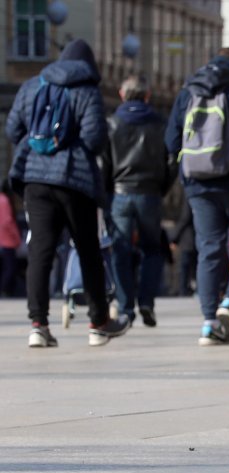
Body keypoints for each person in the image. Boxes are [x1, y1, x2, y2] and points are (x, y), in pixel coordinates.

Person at [5, 39, 131, 347]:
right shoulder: (86, 90)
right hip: (74, 181)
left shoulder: (33, 85)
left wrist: (37, 149)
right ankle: (99, 324)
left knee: (41, 251)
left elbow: (12, 130)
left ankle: (38, 325)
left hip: (34, 179)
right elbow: (95, 138)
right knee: (88, 250)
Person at [165, 47, 229, 346]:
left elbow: (171, 140)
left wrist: (186, 170)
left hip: (197, 182)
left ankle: (208, 323)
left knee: (208, 248)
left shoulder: (188, 91)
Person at [99, 75, 175, 327]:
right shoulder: (160, 123)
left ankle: (124, 307)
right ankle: (146, 301)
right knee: (152, 249)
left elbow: (103, 163)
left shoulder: (111, 123)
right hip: (150, 194)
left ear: (122, 95)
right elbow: (171, 162)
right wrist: (161, 188)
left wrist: (108, 193)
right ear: (147, 95)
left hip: (120, 194)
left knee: (120, 249)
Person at [0, 181, 21, 297]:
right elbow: (8, 221)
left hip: (2, 239)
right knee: (10, 267)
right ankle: (5, 290)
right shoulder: (5, 201)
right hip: (7, 239)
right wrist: (16, 237)